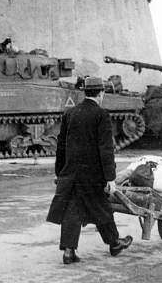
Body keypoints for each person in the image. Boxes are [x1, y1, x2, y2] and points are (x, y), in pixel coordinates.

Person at [46, 76, 133, 264]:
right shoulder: (101, 115)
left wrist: (60, 171)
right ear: (101, 93)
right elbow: (106, 149)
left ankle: (69, 251)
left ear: (84, 92)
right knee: (101, 207)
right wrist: (110, 178)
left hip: (71, 173)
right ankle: (115, 243)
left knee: (72, 210)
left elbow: (61, 145)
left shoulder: (70, 113)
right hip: (92, 174)